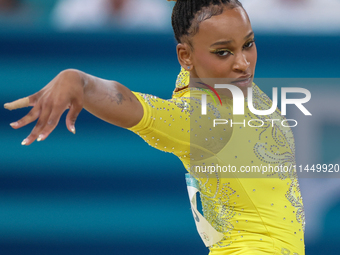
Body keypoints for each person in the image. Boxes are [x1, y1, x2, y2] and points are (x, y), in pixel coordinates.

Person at [4, 0, 305, 254]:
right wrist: (79, 82)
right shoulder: (200, 119)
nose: (243, 62)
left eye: (248, 44)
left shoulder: (231, 85)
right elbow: (135, 106)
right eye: (223, 52)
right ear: (185, 56)